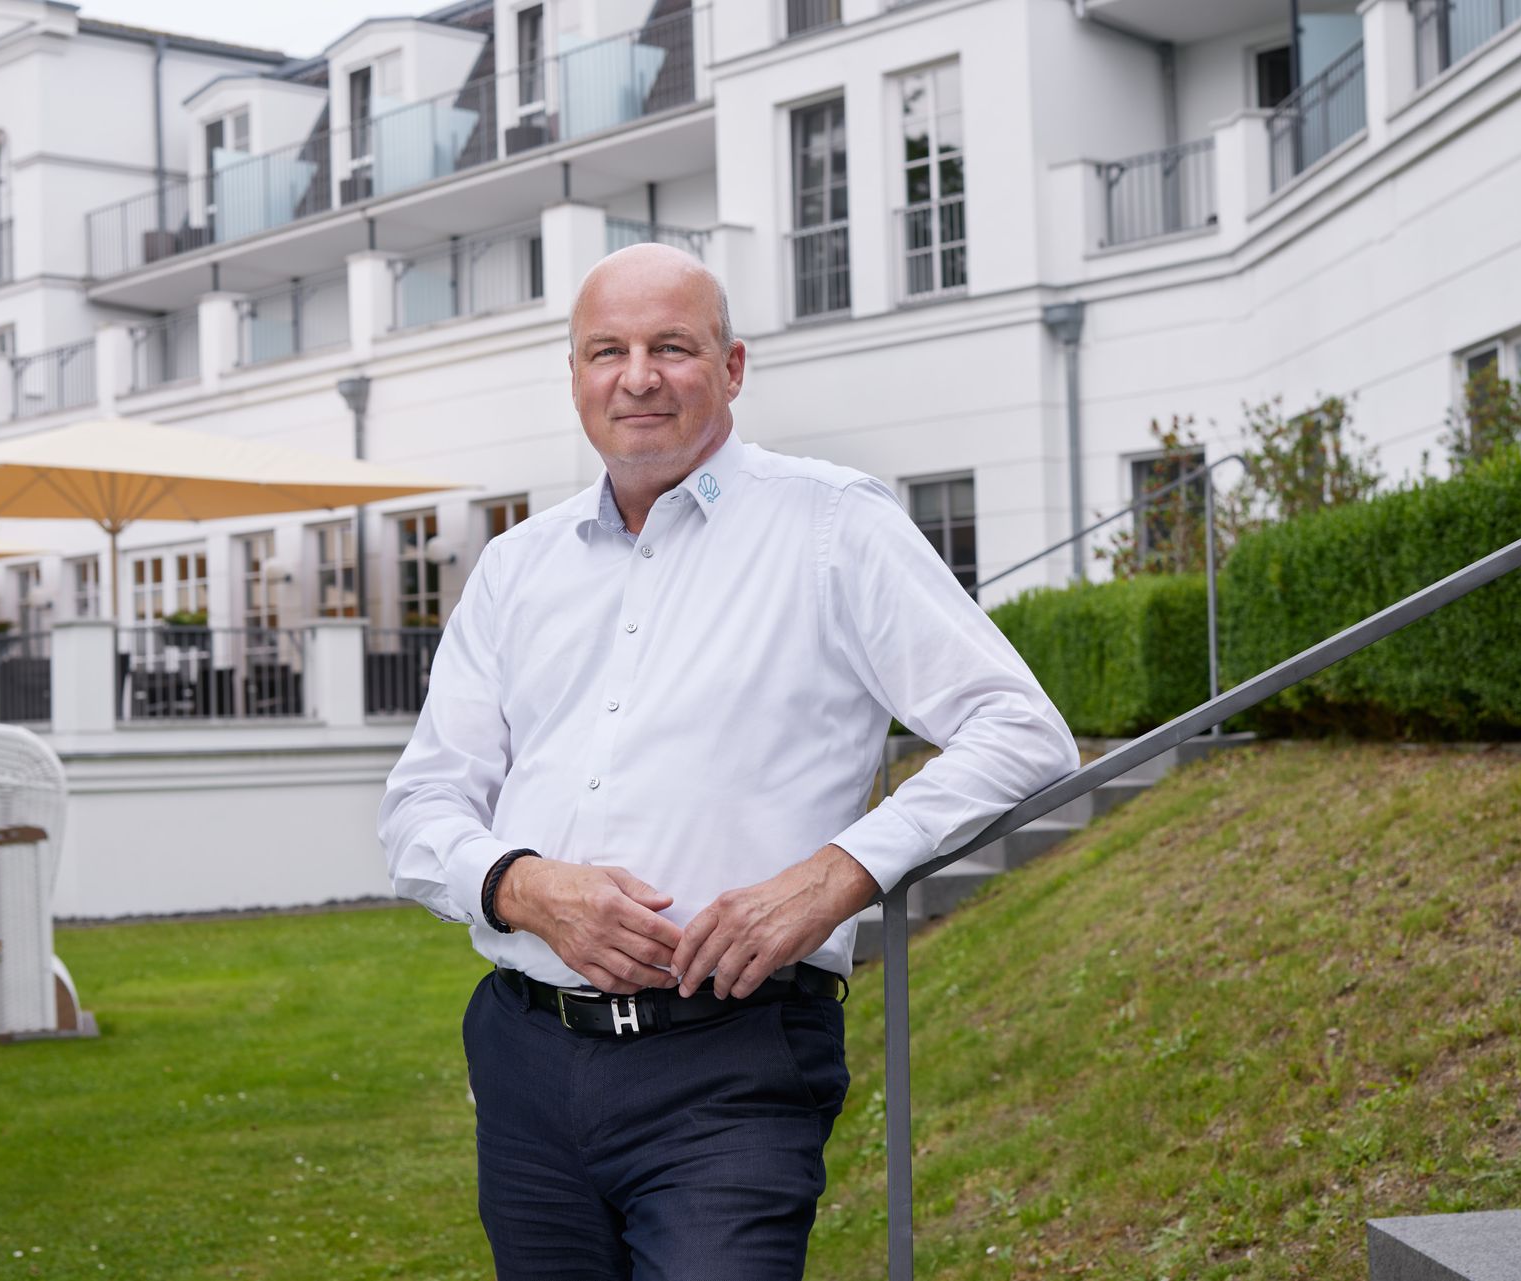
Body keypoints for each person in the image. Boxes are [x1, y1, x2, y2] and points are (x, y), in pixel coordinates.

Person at [379, 243, 1079, 1279]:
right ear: (575, 376)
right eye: (606, 350)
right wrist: (520, 886)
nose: (639, 376)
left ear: (734, 367)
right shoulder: (516, 568)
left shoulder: (834, 524)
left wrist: (834, 878)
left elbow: (1022, 733)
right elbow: (422, 807)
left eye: (673, 346)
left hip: (732, 1065)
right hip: (528, 1060)